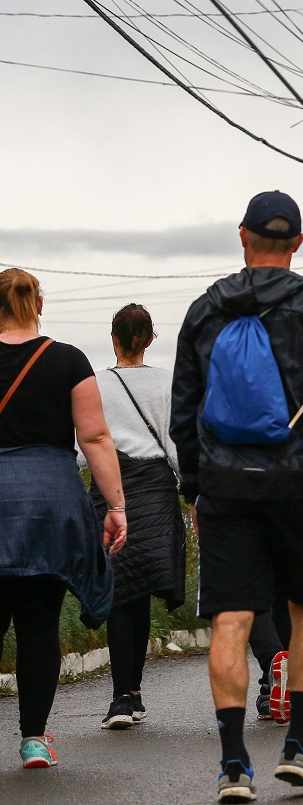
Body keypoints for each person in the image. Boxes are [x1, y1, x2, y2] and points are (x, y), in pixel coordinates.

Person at [171, 191, 303, 802]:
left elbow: (185, 410)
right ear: (299, 243)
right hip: (299, 481)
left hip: (227, 485)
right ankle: (299, 746)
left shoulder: (206, 310)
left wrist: (197, 486)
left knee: (232, 616)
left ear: (243, 236)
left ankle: (233, 764)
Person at [0, 268, 124, 769]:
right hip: (49, 505)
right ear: (39, 305)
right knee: (38, 623)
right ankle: (33, 740)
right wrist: (115, 506)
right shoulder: (68, 359)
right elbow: (94, 437)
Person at [93, 304, 185, 730]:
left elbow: (84, 446)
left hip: (111, 486)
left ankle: (120, 699)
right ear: (149, 339)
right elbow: (177, 443)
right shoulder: (167, 383)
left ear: (114, 338)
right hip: (156, 489)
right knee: (142, 588)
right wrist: (194, 493)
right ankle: (133, 694)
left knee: (118, 590)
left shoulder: (95, 384)